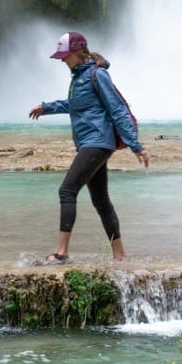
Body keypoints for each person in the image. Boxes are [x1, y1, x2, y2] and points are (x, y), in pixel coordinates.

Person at [27, 31, 149, 264]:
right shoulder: (78, 78)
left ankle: (62, 253)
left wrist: (136, 146)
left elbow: (118, 109)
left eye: (65, 55)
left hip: (97, 142)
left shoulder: (97, 75)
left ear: (77, 52)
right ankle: (120, 255)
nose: (62, 60)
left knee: (67, 190)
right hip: (91, 143)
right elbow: (74, 104)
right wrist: (46, 107)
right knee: (101, 201)